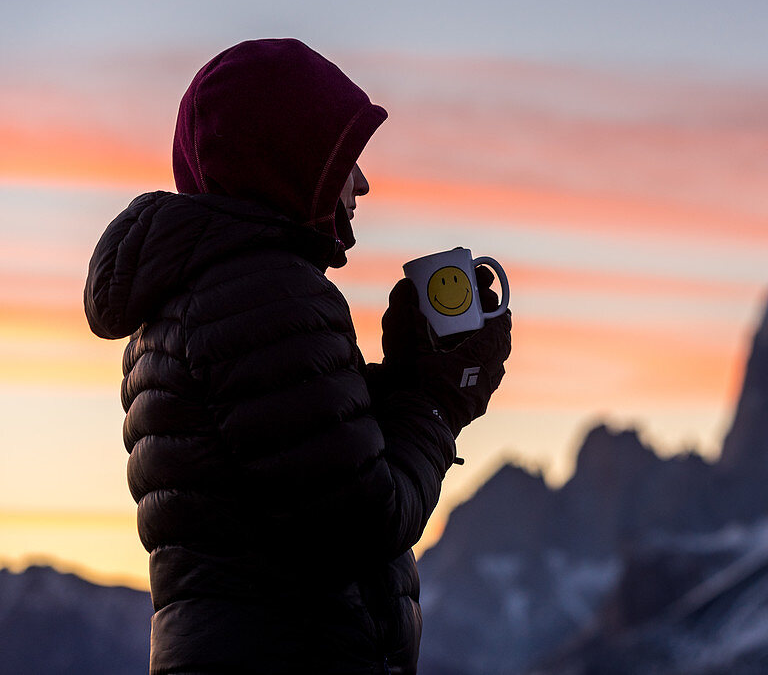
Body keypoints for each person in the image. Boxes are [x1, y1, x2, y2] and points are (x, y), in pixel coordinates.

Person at [83, 38, 511, 674]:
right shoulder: (264, 294)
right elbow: (359, 526)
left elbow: (298, 479)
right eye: (343, 157)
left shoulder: (195, 295)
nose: (362, 181)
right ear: (286, 160)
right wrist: (438, 396)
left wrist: (396, 381)